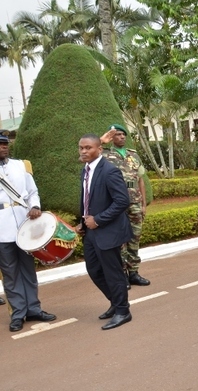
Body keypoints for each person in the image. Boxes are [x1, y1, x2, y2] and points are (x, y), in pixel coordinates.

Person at [76, 134, 133, 330]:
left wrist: (98, 220)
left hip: (108, 231)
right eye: (81, 148)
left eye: (88, 148)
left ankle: (123, 311)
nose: (84, 151)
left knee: (113, 273)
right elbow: (88, 200)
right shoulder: (85, 170)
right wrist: (82, 224)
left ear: (99, 149)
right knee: (94, 270)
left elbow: (122, 201)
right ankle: (115, 302)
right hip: (91, 232)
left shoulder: (109, 171)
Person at [0, 133, 56, 332]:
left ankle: (33, 308)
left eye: (5, 144)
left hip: (25, 227)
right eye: (0, 145)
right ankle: (18, 313)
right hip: (1, 229)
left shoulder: (20, 166)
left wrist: (35, 206)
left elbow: (32, 192)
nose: (3, 147)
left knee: (28, 270)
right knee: (10, 274)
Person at [100, 124, 150, 288]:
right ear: (111, 137)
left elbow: (140, 180)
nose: (121, 137)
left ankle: (134, 272)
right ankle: (122, 274)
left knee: (135, 237)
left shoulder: (133, 155)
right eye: (118, 135)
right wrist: (101, 141)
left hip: (134, 202)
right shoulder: (106, 156)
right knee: (120, 239)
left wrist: (143, 204)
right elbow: (87, 154)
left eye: (123, 135)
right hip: (116, 204)